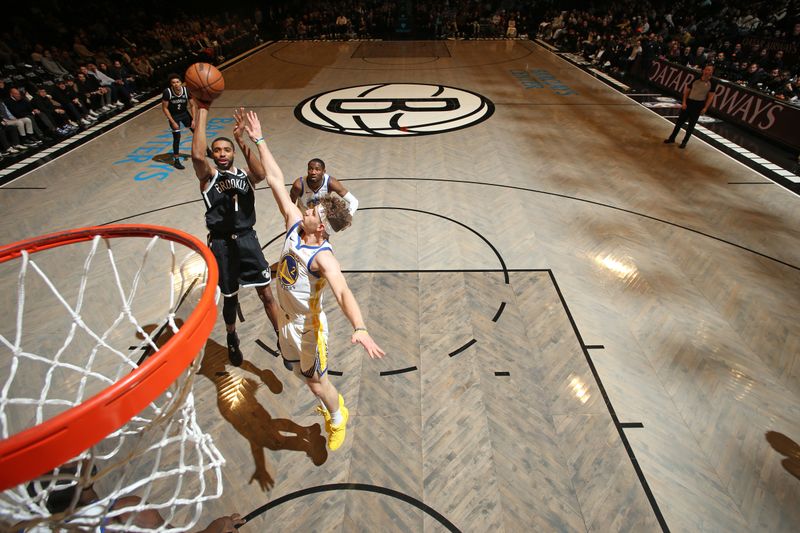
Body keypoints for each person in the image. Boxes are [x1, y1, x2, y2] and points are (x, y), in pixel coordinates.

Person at [239, 108, 385, 451]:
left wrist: (359, 327)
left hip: (308, 329)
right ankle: (325, 398)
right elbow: (275, 178)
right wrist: (259, 139)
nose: (305, 208)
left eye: (313, 211)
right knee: (297, 373)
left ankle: (337, 416)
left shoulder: (324, 257)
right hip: (286, 323)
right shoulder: (294, 224)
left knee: (318, 384)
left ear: (320, 226)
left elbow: (344, 292)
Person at [190, 98, 281, 367]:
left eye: (226, 150)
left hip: (247, 241)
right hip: (221, 245)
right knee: (230, 298)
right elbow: (197, 156)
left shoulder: (244, 175)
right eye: (216, 150)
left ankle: (280, 336)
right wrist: (203, 110)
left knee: (266, 294)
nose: (221, 153)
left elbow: (261, 173)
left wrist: (242, 141)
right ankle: (231, 337)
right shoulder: (208, 177)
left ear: (232, 153)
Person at [664, 64, 717, 149]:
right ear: (703, 70)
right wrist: (684, 102)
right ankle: (672, 138)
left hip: (698, 105)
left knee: (691, 125)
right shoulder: (696, 78)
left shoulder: (713, 83)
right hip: (689, 102)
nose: (707, 71)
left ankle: (684, 142)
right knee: (679, 122)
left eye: (709, 70)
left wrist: (705, 108)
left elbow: (710, 97)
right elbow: (687, 90)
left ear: (712, 72)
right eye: (706, 69)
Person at [289, 158, 358, 215]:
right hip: (304, 217)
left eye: (317, 169)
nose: (313, 172)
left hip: (322, 218)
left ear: (323, 171)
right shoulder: (299, 185)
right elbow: (289, 205)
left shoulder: (331, 183)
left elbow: (354, 201)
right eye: (310, 169)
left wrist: (348, 216)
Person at [162, 73, 197, 169]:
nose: (176, 84)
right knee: (177, 137)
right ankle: (176, 160)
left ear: (181, 83)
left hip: (185, 114)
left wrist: (193, 119)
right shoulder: (167, 92)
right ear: (171, 84)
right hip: (174, 116)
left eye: (178, 82)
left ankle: (208, 150)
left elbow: (193, 105)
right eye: (173, 82)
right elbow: (165, 108)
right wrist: (172, 122)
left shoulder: (186, 90)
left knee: (197, 132)